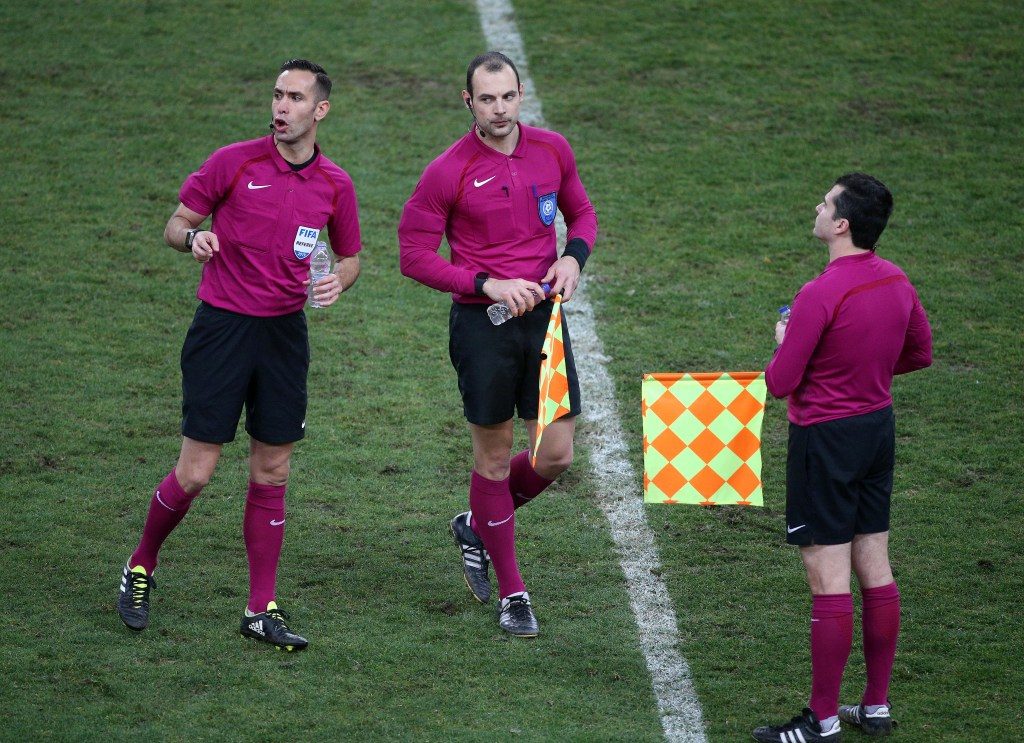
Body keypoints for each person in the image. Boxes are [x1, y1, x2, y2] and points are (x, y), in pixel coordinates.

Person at [116, 59, 361, 652]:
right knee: (196, 472)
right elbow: (176, 224)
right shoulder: (234, 162)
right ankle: (141, 563)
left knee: (272, 471)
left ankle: (260, 608)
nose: (281, 106)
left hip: (284, 338)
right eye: (277, 95)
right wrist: (193, 238)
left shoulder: (336, 184)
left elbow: (351, 256)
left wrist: (339, 280)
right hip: (222, 330)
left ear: (320, 110)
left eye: (295, 98)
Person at [398, 52, 597, 637]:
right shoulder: (447, 171)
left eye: (508, 96)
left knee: (555, 454)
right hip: (481, 327)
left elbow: (582, 213)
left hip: (544, 324)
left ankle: (476, 522)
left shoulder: (553, 150)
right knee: (492, 456)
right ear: (469, 102)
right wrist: (486, 283)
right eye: (487, 99)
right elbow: (413, 255)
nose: (500, 108)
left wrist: (572, 257)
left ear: (520, 94)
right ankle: (514, 595)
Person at [753, 173, 932, 741]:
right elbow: (920, 352)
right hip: (876, 431)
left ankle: (822, 718)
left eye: (826, 203)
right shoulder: (897, 280)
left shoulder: (819, 293)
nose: (818, 206)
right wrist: (862, 369)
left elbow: (780, 382)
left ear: (842, 225)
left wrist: (785, 342)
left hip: (825, 441)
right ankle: (874, 705)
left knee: (828, 578)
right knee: (875, 566)